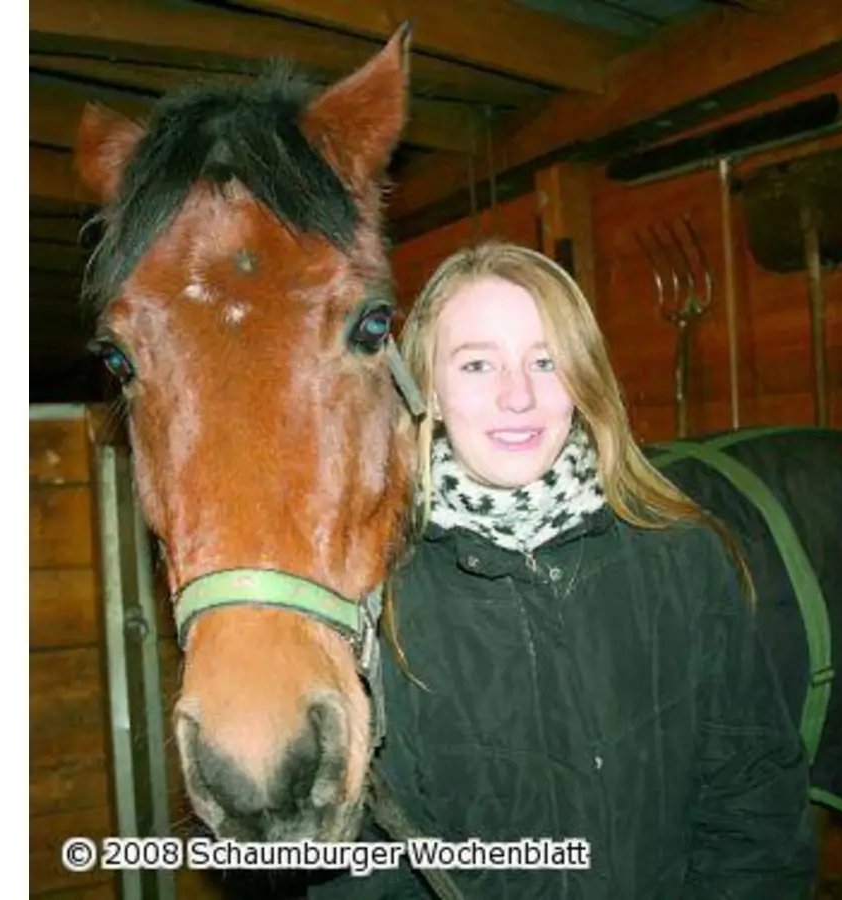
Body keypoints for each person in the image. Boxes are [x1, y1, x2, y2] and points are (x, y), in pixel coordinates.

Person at [310, 242, 816, 899]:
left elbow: (755, 798)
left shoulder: (682, 558)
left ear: (582, 377)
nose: (518, 396)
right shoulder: (372, 598)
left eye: (545, 361)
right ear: (426, 386)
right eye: (477, 364)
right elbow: (360, 866)